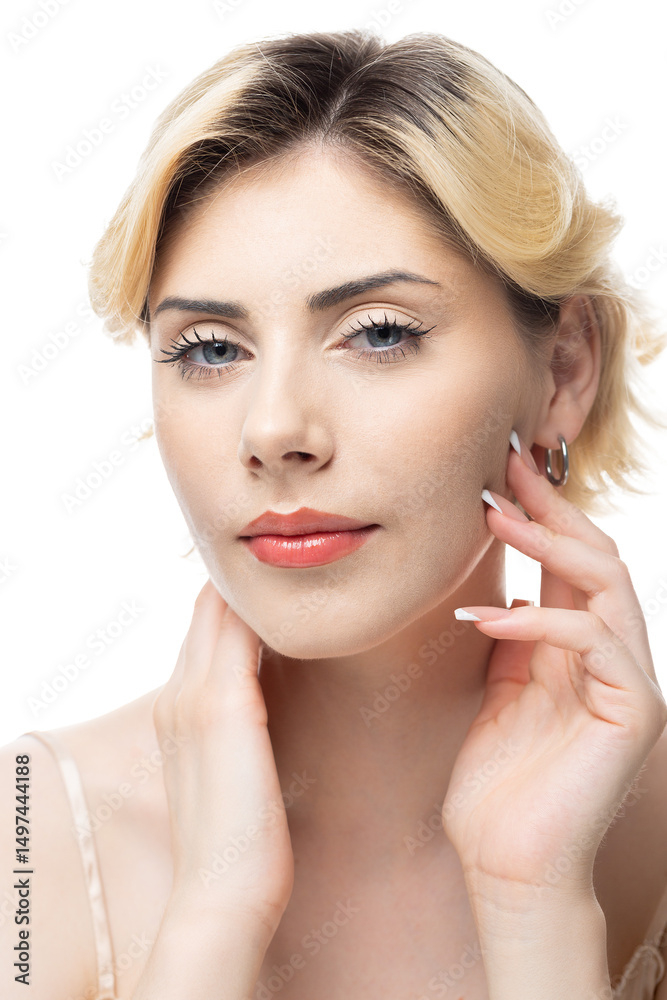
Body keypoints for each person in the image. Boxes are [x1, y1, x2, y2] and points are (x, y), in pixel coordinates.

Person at [2, 27, 667, 1000]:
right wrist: (213, 919)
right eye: (210, 348)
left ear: (563, 367)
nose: (274, 432)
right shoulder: (24, 826)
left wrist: (536, 909)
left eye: (379, 332)